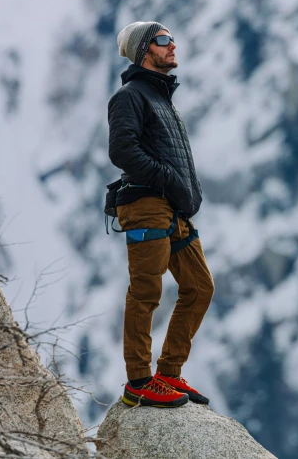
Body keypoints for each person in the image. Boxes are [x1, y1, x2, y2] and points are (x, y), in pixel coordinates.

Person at [107, 21, 214, 408]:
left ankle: (169, 374)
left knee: (200, 287)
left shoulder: (161, 98)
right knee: (146, 291)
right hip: (146, 206)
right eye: (163, 40)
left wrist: (182, 192)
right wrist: (168, 178)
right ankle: (138, 381)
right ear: (143, 51)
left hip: (172, 208)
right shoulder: (131, 96)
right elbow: (122, 151)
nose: (173, 46)